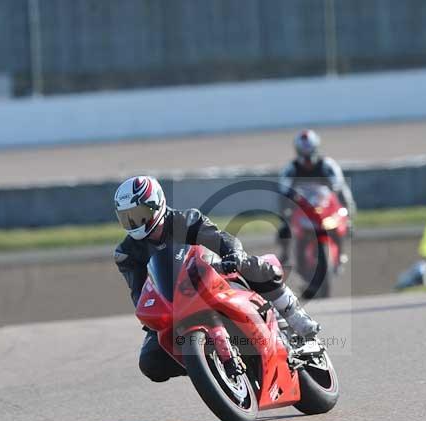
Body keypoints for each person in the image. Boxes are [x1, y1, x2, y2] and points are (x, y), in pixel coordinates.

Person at [113, 175, 321, 383]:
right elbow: (138, 292)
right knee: (150, 362)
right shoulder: (126, 253)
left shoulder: (186, 220)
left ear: (156, 204)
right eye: (127, 217)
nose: (133, 223)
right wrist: (150, 320)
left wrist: (233, 255)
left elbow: (220, 238)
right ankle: (206, 364)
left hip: (210, 275)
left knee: (252, 265)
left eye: (139, 215)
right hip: (174, 301)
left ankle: (294, 315)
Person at [278, 129, 357, 263]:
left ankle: (344, 240)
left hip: (324, 205)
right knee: (284, 227)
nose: (307, 159)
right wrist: (287, 211)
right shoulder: (291, 169)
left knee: (344, 195)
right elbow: (283, 190)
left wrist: (340, 202)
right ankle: (285, 254)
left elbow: (338, 184)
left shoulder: (327, 165)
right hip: (302, 207)